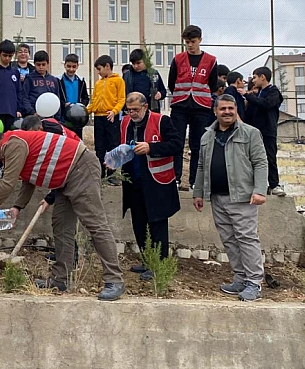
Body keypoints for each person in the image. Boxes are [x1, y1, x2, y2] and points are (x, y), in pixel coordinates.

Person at [0, 130, 125, 301]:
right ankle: (60, 279)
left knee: (96, 224)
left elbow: (8, 183)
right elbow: (28, 180)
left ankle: (114, 280)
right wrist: (17, 207)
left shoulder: (13, 144)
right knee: (61, 226)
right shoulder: (16, 145)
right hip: (66, 179)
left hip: (80, 169)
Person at [194, 94, 268, 302]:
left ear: (236, 110)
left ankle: (254, 282)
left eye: (230, 108)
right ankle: (240, 278)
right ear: (215, 111)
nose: (227, 112)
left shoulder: (250, 133)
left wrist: (260, 190)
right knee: (229, 239)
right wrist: (198, 192)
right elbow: (201, 166)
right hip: (217, 197)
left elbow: (260, 162)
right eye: (223, 108)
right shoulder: (207, 136)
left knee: (246, 238)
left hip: (243, 197)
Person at [119, 92, 182, 280]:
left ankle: (159, 265)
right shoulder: (125, 122)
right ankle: (147, 261)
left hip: (157, 182)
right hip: (133, 182)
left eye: (135, 110)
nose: (132, 113)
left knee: (157, 225)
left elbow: (176, 145)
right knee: (139, 225)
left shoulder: (162, 121)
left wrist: (151, 148)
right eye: (129, 110)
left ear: (145, 107)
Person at [168, 25, 219, 190]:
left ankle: (195, 181)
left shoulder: (211, 60)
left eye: (193, 41)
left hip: (201, 107)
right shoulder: (178, 59)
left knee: (197, 145)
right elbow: (171, 82)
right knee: (177, 142)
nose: (190, 45)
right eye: (187, 42)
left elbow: (212, 84)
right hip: (180, 106)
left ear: (200, 40)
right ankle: (175, 178)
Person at [244, 66, 285, 196]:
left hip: (267, 131)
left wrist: (248, 96)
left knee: (269, 157)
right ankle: (256, 185)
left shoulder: (273, 92)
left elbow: (267, 104)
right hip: (253, 132)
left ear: (263, 77)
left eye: (255, 77)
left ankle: (274, 185)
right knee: (252, 158)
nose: (253, 80)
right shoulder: (257, 94)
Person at [87, 55, 126, 183]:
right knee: (99, 147)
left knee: (112, 146)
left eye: (99, 69)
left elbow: (121, 99)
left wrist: (114, 111)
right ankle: (100, 173)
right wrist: (86, 111)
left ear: (107, 66)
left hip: (111, 117)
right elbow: (94, 101)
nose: (98, 72)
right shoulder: (98, 83)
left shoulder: (118, 81)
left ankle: (111, 174)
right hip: (98, 117)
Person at [0, 39, 25, 134]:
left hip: (11, 111)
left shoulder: (15, 72)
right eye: (5, 55)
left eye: (10, 56)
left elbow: (19, 91)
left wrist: (19, 109)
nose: (7, 58)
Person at [23, 50, 61, 119]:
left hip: (50, 116)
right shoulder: (29, 78)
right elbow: (24, 97)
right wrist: (32, 112)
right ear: (34, 64)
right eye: (38, 64)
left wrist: (57, 118)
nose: (41, 67)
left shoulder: (54, 80)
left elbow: (57, 99)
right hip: (34, 116)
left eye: (43, 64)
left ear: (48, 64)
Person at [59, 53, 90, 138]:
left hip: (77, 118)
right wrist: (63, 104)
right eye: (68, 66)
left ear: (77, 66)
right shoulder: (58, 80)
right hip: (63, 118)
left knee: (77, 139)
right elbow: (56, 98)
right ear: (64, 65)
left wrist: (81, 106)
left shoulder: (81, 81)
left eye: (74, 67)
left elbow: (85, 97)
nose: (71, 69)